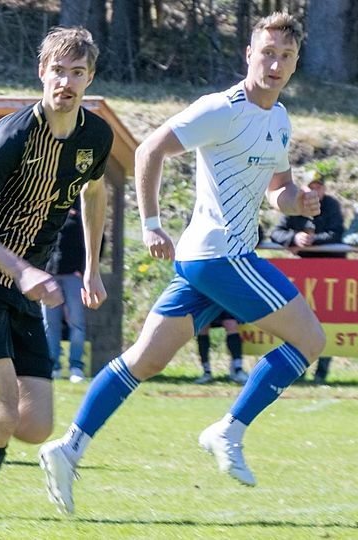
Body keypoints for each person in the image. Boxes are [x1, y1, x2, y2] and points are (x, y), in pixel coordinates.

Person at [40, 13, 324, 517]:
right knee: (311, 341)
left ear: (296, 62)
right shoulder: (221, 109)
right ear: (249, 54)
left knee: (144, 361)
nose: (275, 63)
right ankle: (228, 430)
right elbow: (151, 149)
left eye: (286, 56)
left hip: (206, 262)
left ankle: (69, 448)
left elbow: (278, 190)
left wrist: (298, 203)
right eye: (267, 53)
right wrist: (150, 223)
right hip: (222, 256)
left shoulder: (278, 120)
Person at [0, 26, 111, 539]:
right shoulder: (13, 134)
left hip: (23, 286)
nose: (66, 82)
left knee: (34, 425)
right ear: (42, 73)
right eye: (58, 71)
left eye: (77, 73)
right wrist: (24, 270)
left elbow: (95, 192)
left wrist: (92, 264)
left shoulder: (95, 136)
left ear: (89, 78)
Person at [270, 169, 344, 384]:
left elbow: (337, 233)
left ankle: (321, 373)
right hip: (302, 275)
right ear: (303, 187)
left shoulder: (331, 205)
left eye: (319, 186)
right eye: (311, 186)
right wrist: (295, 237)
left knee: (328, 322)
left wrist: (313, 241)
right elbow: (276, 233)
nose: (315, 190)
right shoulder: (295, 204)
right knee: (299, 321)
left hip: (330, 274)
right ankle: (299, 370)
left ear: (324, 188)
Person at [42, 198, 89, 383]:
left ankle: (76, 366)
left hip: (73, 276)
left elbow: (97, 241)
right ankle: (53, 366)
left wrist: (84, 271)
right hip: (49, 277)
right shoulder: (47, 216)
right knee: (49, 324)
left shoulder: (81, 217)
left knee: (76, 323)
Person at [193, 311, 248, 384]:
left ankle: (238, 370)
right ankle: (207, 372)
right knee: (202, 328)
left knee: (231, 325)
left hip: (224, 302)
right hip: (204, 302)